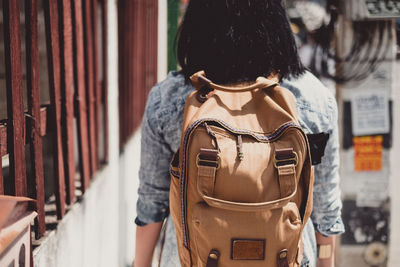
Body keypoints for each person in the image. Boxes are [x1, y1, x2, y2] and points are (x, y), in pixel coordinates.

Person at [134, 1, 344, 266]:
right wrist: (326, 261)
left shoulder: (170, 98)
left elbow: (152, 205)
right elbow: (326, 208)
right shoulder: (312, 98)